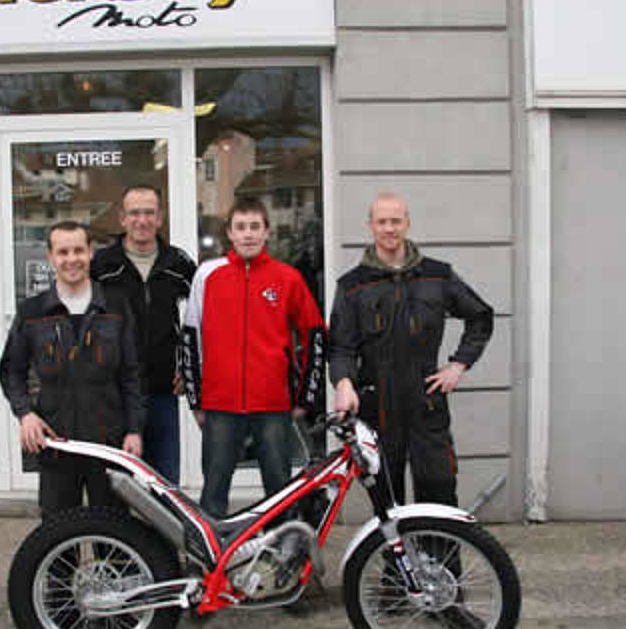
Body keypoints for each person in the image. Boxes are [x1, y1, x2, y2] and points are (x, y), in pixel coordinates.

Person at [329, 192, 494, 509]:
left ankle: (439, 545)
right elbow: (340, 347)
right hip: (377, 405)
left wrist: (458, 365)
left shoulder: (437, 276)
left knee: (439, 490)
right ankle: (397, 546)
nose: (389, 228)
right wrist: (344, 383)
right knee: (387, 501)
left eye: (396, 221)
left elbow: (481, 317)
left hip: (426, 401)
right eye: (382, 222)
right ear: (371, 226)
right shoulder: (353, 285)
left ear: (407, 223)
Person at [180, 198, 326, 519]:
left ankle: (279, 548)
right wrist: (196, 401)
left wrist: (306, 397)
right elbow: (190, 339)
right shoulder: (208, 275)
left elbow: (315, 334)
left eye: (255, 227)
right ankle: (213, 551)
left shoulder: (287, 278)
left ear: (267, 232)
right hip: (220, 406)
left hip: (273, 406)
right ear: (230, 233)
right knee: (213, 493)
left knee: (279, 494)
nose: (248, 234)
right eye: (241, 227)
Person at [0, 220, 145, 517]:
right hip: (57, 442)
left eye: (78, 250)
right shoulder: (32, 312)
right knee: (58, 528)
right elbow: (12, 370)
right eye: (63, 252)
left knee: (113, 528)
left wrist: (134, 430)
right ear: (51, 257)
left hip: (109, 441)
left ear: (90, 252)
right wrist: (25, 414)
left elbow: (133, 374)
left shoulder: (115, 306)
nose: (71, 259)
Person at [92, 185, 196, 485]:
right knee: (117, 483)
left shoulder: (179, 264)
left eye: (149, 212)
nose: (142, 220)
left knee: (163, 481)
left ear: (160, 218)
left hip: (163, 388)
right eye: (135, 213)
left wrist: (188, 368)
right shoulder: (102, 265)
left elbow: (201, 319)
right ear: (122, 218)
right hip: (115, 392)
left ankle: (163, 520)